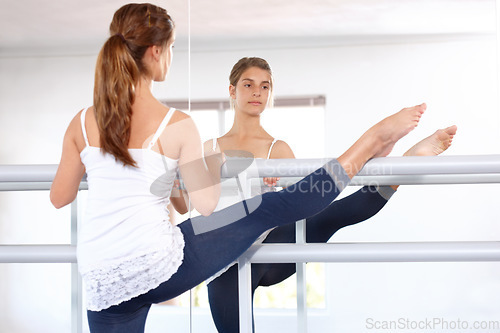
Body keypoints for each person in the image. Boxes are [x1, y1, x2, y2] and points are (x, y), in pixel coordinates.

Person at [50, 3, 430, 332]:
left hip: (102, 279)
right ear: (155, 52)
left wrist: (109, 169)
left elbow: (60, 196)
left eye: (264, 86)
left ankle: (379, 152)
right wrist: (184, 176)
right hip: (156, 265)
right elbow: (207, 205)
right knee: (263, 209)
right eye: (171, 49)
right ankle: (367, 144)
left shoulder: (81, 122)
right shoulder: (176, 123)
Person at [202, 57, 457, 333]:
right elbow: (200, 205)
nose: (256, 92)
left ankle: (404, 163)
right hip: (224, 256)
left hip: (268, 248)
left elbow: (301, 204)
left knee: (330, 213)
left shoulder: (278, 149)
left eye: (265, 87)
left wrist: (277, 186)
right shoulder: (210, 147)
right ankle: (376, 146)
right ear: (232, 90)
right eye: (248, 84)